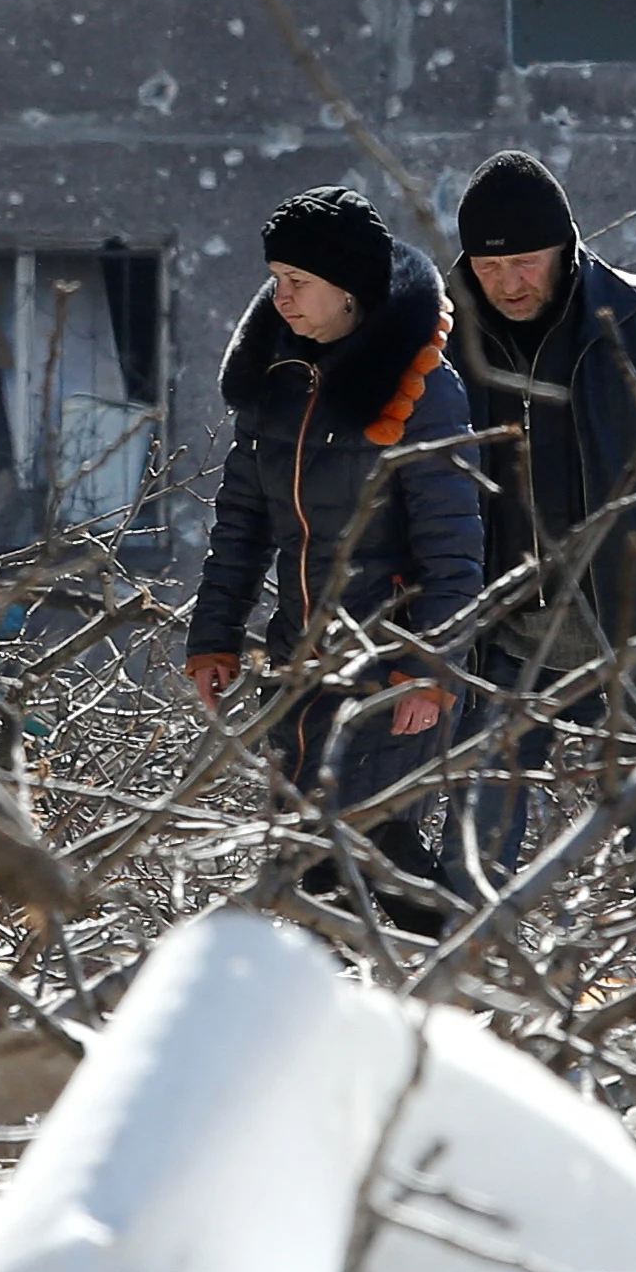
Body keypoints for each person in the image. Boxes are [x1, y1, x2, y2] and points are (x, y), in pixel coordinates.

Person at [444, 150, 636, 874]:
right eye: (489, 269)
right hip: (504, 646)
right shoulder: (444, 335)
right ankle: (463, 987)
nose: (508, 284)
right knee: (474, 852)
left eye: (525, 262)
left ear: (565, 245)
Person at [186, 187, 483, 909]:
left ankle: (461, 990)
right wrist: (215, 637)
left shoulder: (420, 389)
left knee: (368, 842)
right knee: (312, 856)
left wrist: (431, 670)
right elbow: (241, 525)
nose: (280, 298)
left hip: (390, 666)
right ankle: (375, 1006)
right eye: (277, 280)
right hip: (298, 664)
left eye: (299, 283)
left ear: (349, 291)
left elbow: (454, 548)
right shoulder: (275, 382)